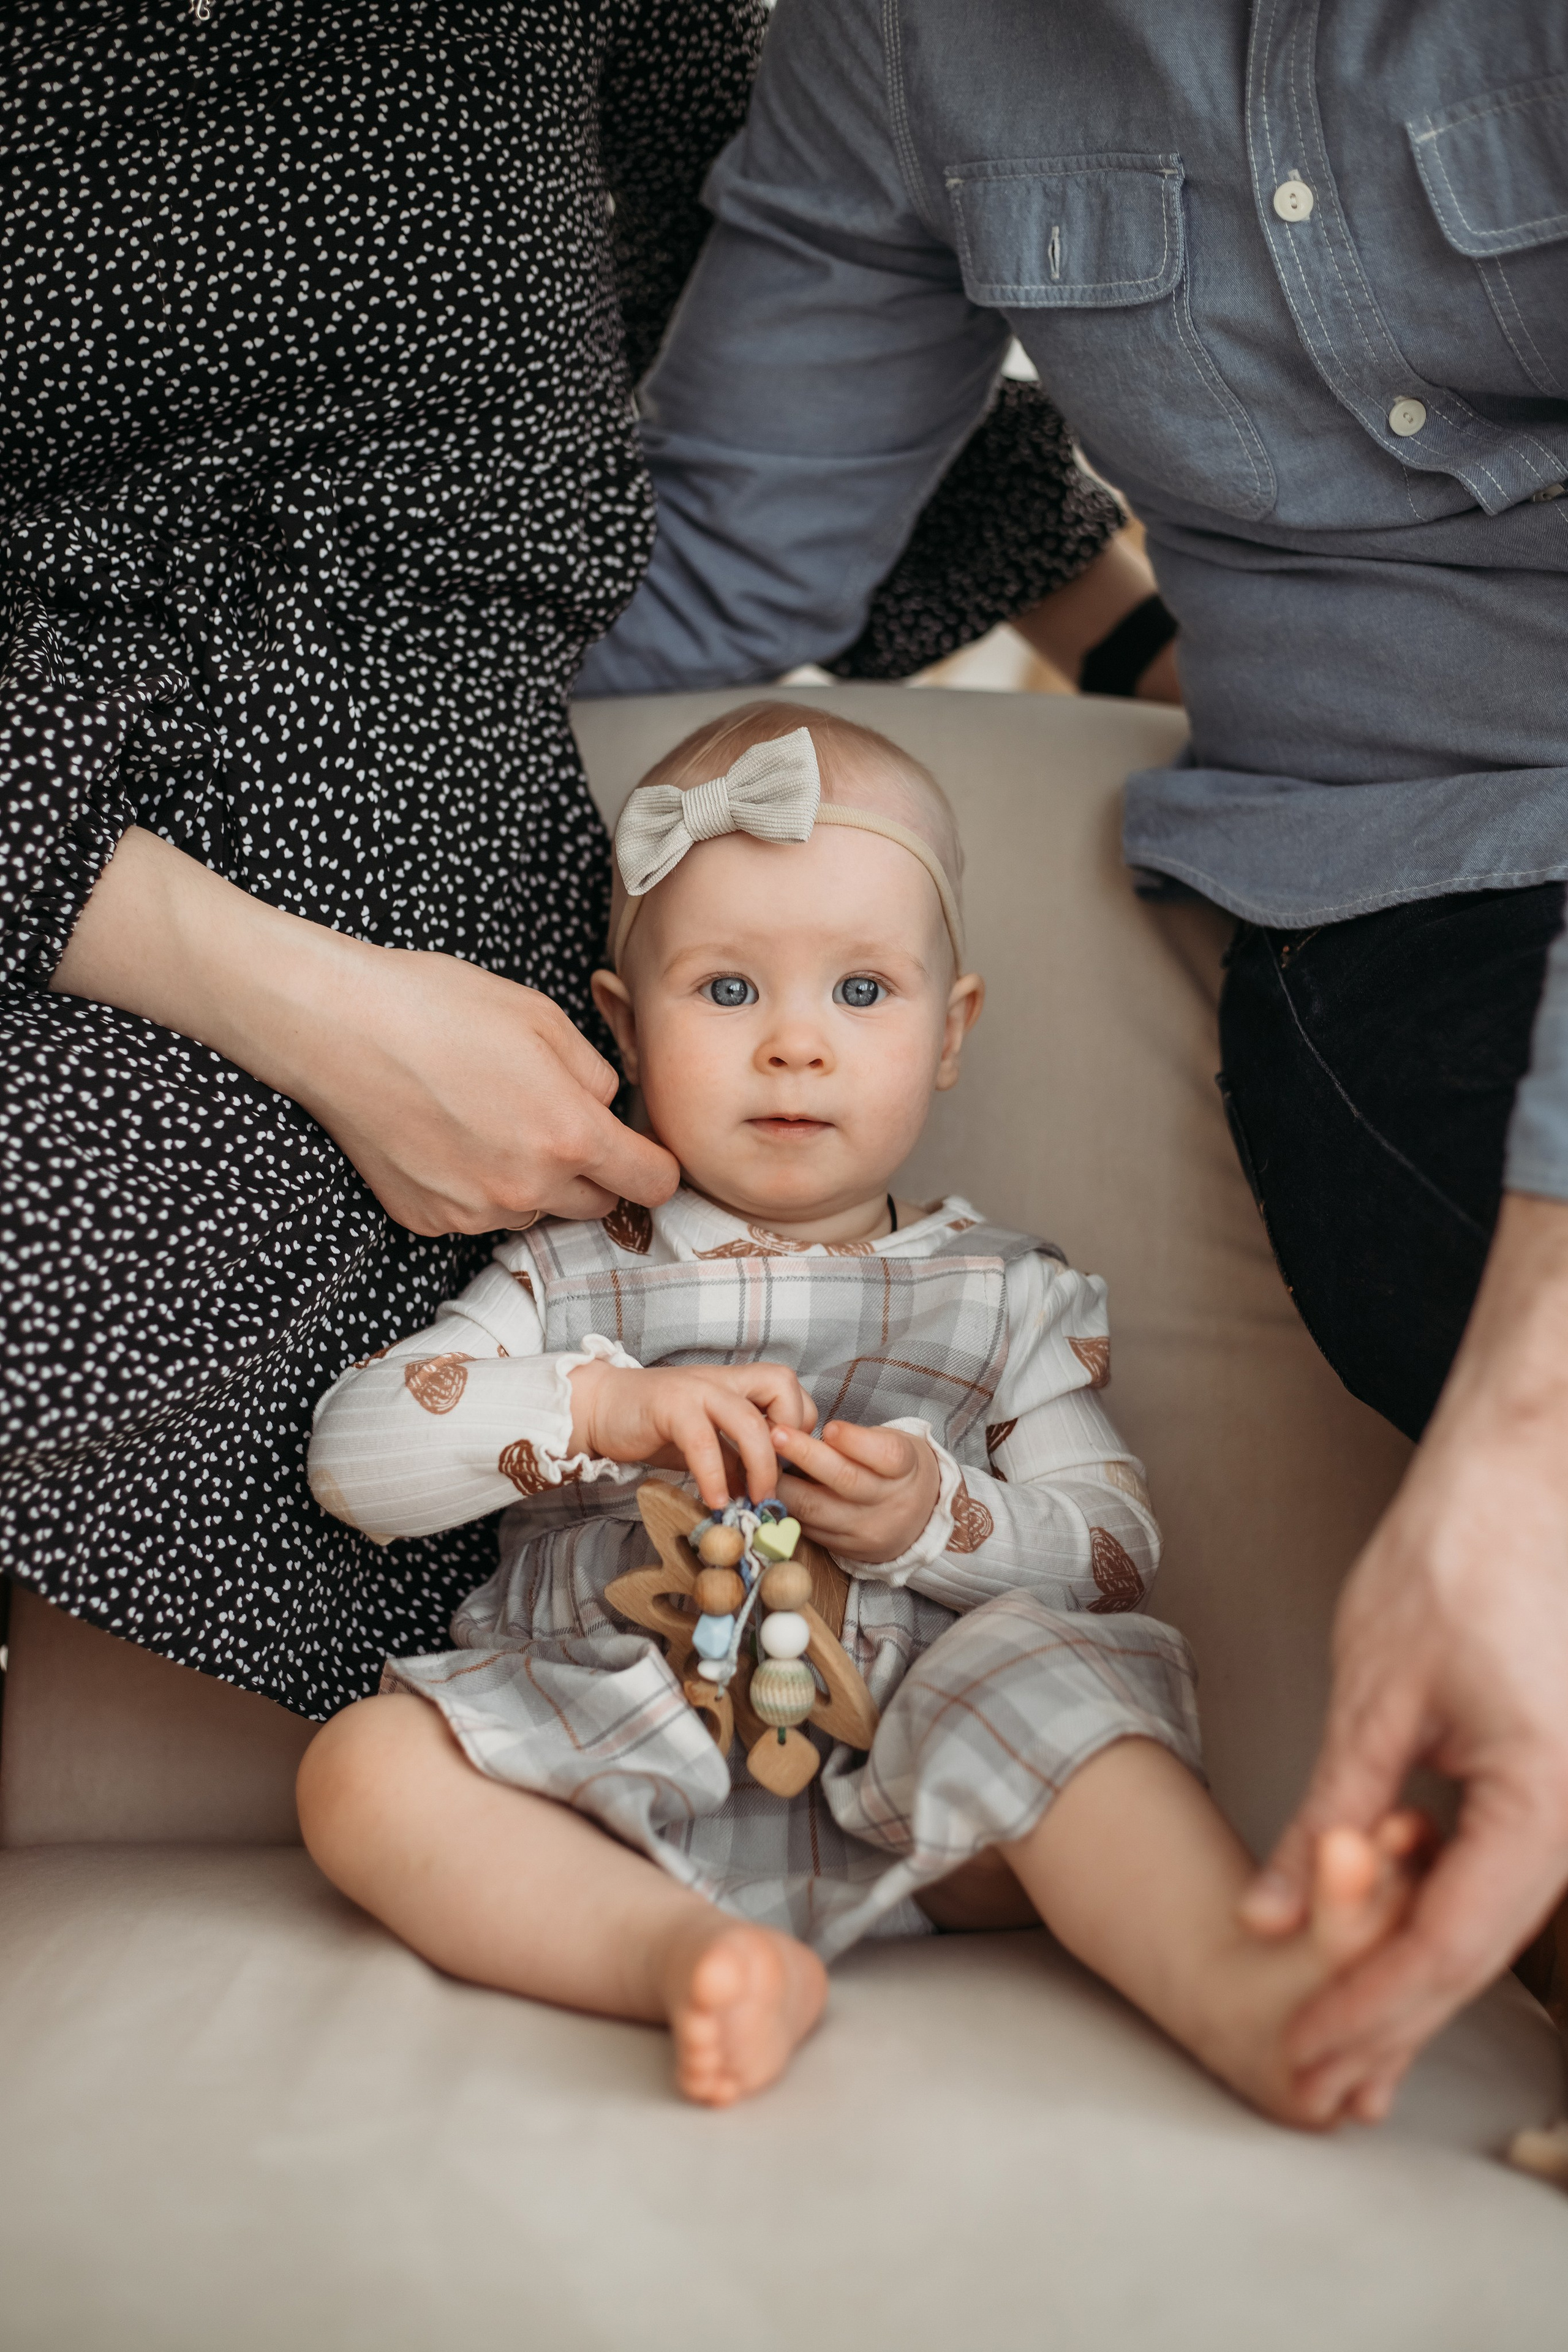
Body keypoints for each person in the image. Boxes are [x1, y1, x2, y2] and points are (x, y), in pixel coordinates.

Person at [572, 0, 1568, 2120]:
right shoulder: (904, 43)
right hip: (1391, 898)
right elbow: (722, 574)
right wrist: (338, 898)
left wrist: (1529, 1427)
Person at [0, 0, 1146, 1717]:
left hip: (440, 868)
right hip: (84, 873)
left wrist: (1160, 662)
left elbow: (810, 302)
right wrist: (322, 1015)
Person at [298, 704, 1423, 2114]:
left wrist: (930, 1518)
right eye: (724, 991)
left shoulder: (1010, 1292)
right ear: (620, 1024)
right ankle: (677, 1957)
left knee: (1054, 1691)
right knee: (363, 1771)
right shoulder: (564, 1271)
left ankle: (1238, 1983)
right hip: (609, 1757)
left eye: (859, 992)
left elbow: (1115, 1547)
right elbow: (356, 1456)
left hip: (938, 1786)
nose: (793, 1048)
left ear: (950, 1031)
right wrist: (609, 1408)